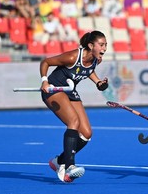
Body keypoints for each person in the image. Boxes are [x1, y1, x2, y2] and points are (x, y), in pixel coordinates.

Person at [40, 30, 109, 183]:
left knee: (86, 133)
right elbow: (45, 62)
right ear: (91, 45)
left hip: (70, 91)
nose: (104, 48)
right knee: (73, 122)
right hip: (54, 89)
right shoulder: (72, 57)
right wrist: (44, 81)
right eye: (101, 45)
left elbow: (88, 70)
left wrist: (98, 82)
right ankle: (69, 166)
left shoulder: (97, 59)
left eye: (106, 45)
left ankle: (59, 161)